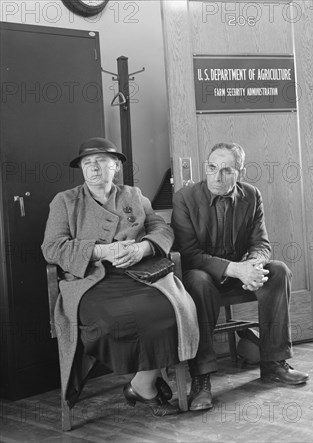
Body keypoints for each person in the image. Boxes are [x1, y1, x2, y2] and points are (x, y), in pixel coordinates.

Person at [42, 137, 202, 416]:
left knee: (175, 307)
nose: (94, 168)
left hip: (140, 273)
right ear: (81, 168)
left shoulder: (133, 195)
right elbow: (52, 247)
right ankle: (146, 385)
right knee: (109, 321)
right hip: (92, 280)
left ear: (115, 165)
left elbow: (161, 229)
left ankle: (143, 383)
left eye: (101, 161)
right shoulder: (65, 202)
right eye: (87, 163)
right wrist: (100, 250)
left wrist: (144, 248)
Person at [171, 142, 309, 411]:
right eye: (212, 168)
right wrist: (235, 269)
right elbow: (188, 254)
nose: (217, 176)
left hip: (240, 272)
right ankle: (201, 379)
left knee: (278, 271)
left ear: (240, 173)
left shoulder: (251, 195)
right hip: (203, 275)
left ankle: (273, 363)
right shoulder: (185, 198)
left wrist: (254, 265)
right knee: (198, 281)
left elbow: (261, 243)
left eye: (226, 170)